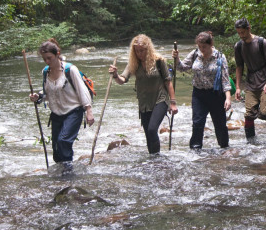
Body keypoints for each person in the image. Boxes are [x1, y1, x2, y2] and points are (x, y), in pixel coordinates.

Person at [109, 34, 177, 155]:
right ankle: (152, 160)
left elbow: (168, 82)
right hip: (144, 103)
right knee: (148, 134)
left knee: (152, 129)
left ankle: (157, 159)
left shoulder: (158, 61)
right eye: (137, 51)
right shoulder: (133, 63)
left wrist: (173, 102)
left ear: (148, 49)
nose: (139, 54)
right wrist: (115, 75)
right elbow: (122, 80)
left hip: (160, 99)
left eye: (142, 51)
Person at [29, 38, 94, 166]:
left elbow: (82, 91)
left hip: (73, 112)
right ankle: (61, 175)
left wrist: (88, 111)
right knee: (56, 150)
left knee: (63, 141)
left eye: (49, 58)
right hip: (56, 115)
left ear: (57, 54)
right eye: (44, 59)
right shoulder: (45, 72)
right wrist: (38, 97)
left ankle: (68, 175)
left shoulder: (70, 70)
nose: (47, 61)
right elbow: (49, 94)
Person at [174, 32, 232, 150]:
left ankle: (224, 147)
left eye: (204, 47)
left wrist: (228, 98)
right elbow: (182, 67)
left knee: (220, 124)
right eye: (200, 47)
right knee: (197, 123)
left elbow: (225, 79)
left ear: (211, 44)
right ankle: (195, 149)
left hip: (216, 94)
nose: (202, 50)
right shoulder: (195, 54)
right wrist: (176, 58)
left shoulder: (220, 57)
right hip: (199, 94)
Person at [233, 18, 266, 142]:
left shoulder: (261, 42)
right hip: (250, 84)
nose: (241, 36)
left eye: (243, 32)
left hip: (264, 82)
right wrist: (238, 87)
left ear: (248, 28)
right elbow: (239, 66)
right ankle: (250, 142)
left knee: (265, 112)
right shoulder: (239, 46)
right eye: (239, 33)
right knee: (249, 114)